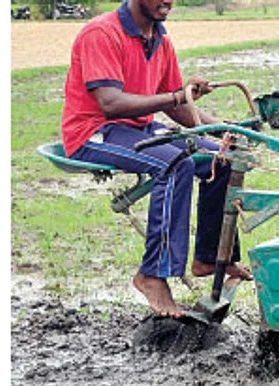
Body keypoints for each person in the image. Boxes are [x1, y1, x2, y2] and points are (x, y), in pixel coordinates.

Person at [60, 0, 251, 319]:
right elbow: (110, 104)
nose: (168, 1)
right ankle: (152, 274)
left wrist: (224, 131)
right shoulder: (102, 33)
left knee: (224, 157)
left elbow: (177, 107)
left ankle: (208, 256)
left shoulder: (160, 40)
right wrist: (180, 95)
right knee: (175, 164)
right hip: (96, 131)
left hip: (140, 128)